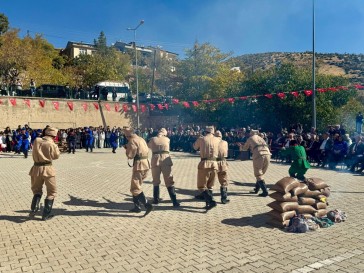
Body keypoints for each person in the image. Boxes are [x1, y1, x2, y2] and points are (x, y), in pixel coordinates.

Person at [28, 127, 60, 220]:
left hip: (36, 168)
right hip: (48, 169)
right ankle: (46, 215)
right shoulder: (52, 144)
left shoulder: (37, 140)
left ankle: (34, 208)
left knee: (36, 190)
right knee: (52, 192)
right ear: (54, 135)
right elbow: (56, 156)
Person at [123, 127, 153, 216]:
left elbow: (130, 155)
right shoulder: (141, 139)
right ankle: (137, 207)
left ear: (128, 136)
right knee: (136, 185)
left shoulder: (132, 141)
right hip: (146, 164)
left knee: (135, 188)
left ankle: (147, 205)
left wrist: (126, 149)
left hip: (139, 165)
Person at [147, 128, 180, 207]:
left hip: (155, 160)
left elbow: (149, 146)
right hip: (166, 160)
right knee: (169, 180)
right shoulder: (167, 139)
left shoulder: (153, 139)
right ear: (165, 134)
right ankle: (174, 201)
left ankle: (156, 200)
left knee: (155, 181)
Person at [193, 126, 220, 210]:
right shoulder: (218, 140)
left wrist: (198, 138)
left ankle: (211, 201)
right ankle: (208, 204)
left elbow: (194, 147)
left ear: (205, 132)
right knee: (210, 186)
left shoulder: (201, 139)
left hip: (205, 164)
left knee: (201, 186)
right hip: (215, 164)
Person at [241, 130, 270, 197]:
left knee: (258, 173)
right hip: (268, 154)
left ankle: (265, 191)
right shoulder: (261, 138)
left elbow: (245, 148)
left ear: (251, 133)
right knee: (261, 173)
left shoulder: (250, 138)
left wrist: (241, 147)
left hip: (259, 154)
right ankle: (256, 189)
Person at [215, 130, 230, 204]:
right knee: (224, 180)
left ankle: (207, 197)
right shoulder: (225, 142)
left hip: (214, 162)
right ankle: (224, 198)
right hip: (223, 162)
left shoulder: (213, 142)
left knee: (209, 180)